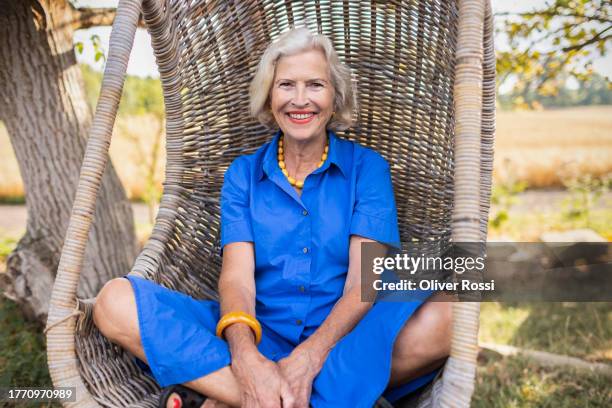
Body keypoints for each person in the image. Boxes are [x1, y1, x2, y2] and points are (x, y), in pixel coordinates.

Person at [93, 27, 452, 408]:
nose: (300, 100)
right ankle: (271, 393)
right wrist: (247, 358)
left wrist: (309, 357)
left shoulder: (368, 170)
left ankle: (225, 395)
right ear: (269, 96)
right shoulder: (243, 175)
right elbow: (237, 280)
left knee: (455, 312)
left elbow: (362, 285)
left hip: (345, 341)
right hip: (259, 334)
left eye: (315, 85)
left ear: (334, 97)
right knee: (113, 303)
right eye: (286, 85)